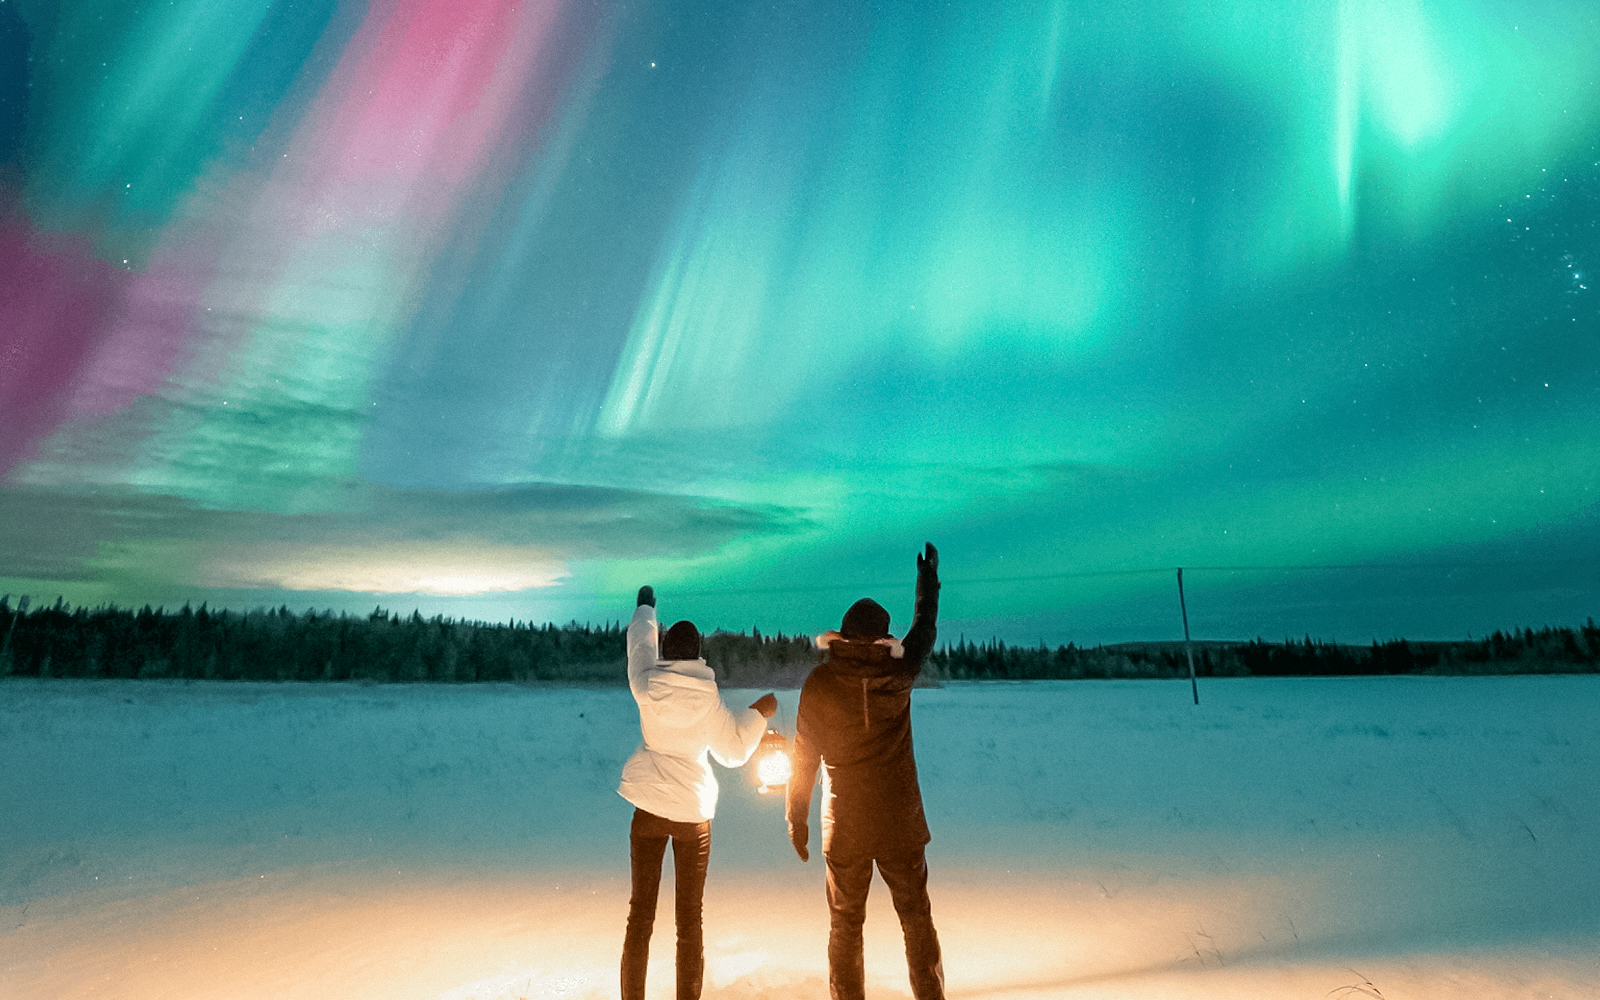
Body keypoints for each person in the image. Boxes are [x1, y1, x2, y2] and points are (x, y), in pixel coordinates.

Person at [786, 543, 944, 1000]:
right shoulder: (901, 672)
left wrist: (796, 818)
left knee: (845, 924)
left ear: (844, 637)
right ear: (881, 640)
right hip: (900, 822)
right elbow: (924, 630)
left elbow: (803, 758)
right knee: (916, 915)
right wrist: (927, 581)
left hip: (847, 825)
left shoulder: (819, 683)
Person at [618, 585, 778, 1000]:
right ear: (699, 653)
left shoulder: (645, 685)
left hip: (648, 807)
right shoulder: (709, 700)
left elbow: (639, 644)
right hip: (692, 814)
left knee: (640, 917)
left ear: (666, 652)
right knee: (689, 922)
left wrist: (645, 608)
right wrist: (759, 714)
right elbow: (733, 751)